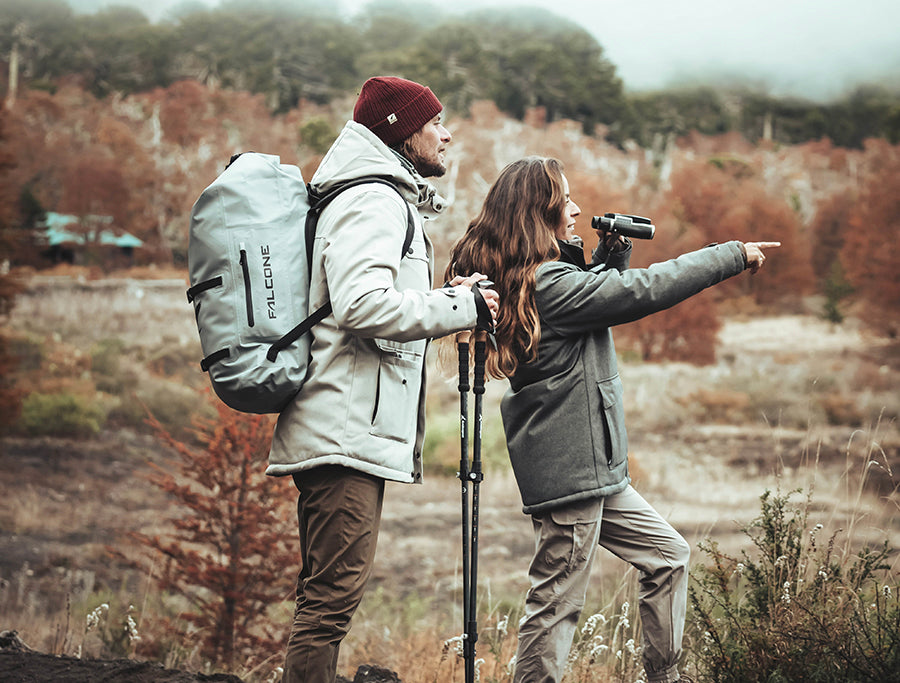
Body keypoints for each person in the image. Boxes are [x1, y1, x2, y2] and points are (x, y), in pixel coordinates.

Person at [444, 156, 779, 683]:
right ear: (540, 211)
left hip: (593, 467)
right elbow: (637, 294)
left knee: (668, 556)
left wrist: (605, 257)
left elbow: (594, 301)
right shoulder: (545, 284)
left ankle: (661, 676)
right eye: (565, 201)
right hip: (573, 469)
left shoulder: (542, 279)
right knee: (556, 602)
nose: (576, 209)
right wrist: (730, 255)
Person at [267, 76, 499, 683]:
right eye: (435, 123)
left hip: (343, 429)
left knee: (324, 596)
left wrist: (449, 298)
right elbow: (362, 306)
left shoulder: (377, 195)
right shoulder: (373, 199)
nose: (447, 135)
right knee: (328, 605)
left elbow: (375, 298)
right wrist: (460, 308)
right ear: (400, 130)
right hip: (343, 435)